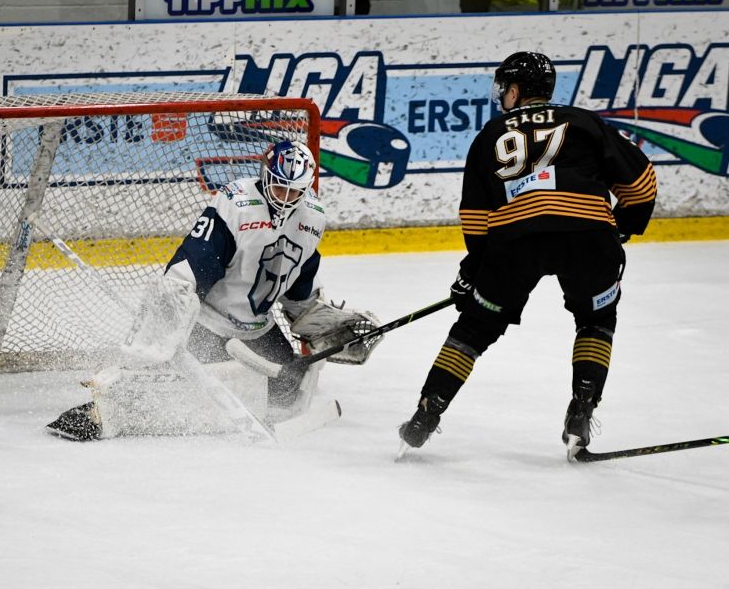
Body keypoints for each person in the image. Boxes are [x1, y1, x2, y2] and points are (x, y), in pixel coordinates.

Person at [398, 51, 657, 459]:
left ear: (515, 90)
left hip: (515, 242)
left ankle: (426, 413)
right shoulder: (585, 121)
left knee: (473, 330)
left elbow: (476, 219)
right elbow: (641, 184)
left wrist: (473, 274)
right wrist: (618, 228)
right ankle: (582, 409)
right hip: (587, 235)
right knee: (596, 320)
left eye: (505, 88)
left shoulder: (490, 134)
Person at [49, 140, 379, 440]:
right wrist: (172, 316)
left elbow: (300, 279)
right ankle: (101, 412)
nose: (285, 198)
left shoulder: (313, 218)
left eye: (294, 192)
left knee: (287, 388)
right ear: (265, 177)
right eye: (279, 188)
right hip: (210, 323)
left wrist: (318, 319)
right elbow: (196, 262)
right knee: (167, 387)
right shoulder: (237, 203)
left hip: (257, 329)